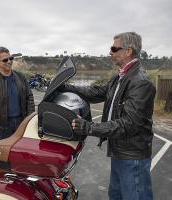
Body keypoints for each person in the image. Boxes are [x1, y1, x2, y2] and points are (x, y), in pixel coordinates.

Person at [62, 32, 156, 200]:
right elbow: (97, 92)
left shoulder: (140, 81)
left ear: (128, 51)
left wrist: (89, 127)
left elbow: (129, 124)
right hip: (120, 151)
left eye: (114, 48)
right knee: (116, 195)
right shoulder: (121, 76)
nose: (110, 52)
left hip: (133, 156)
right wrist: (67, 87)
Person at [0, 47, 35, 140]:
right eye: (5, 60)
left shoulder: (20, 76)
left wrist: (29, 119)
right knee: (3, 153)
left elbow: (29, 97)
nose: (9, 61)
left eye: (11, 58)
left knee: (20, 152)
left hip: (21, 124)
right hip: (1, 127)